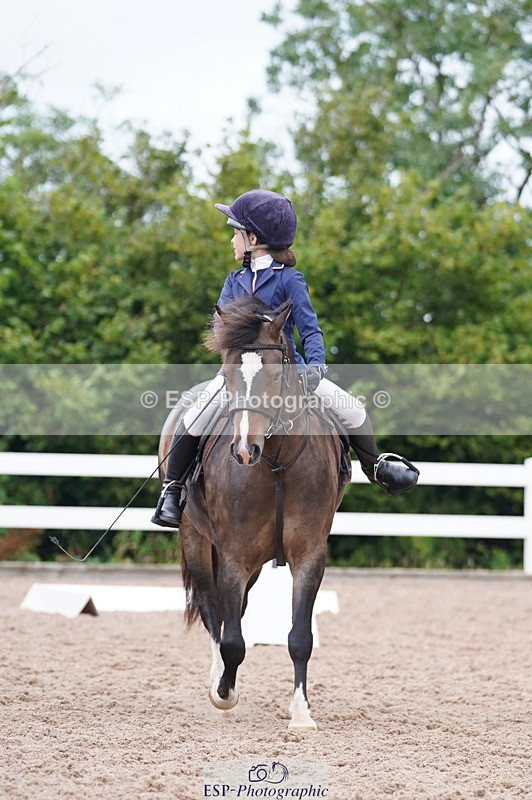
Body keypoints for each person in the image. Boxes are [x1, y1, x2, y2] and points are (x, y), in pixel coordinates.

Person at [152, 189, 419, 528]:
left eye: (235, 233)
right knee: (194, 415)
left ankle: (375, 466)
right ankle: (172, 489)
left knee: (353, 409)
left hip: (287, 372)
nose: (231, 241)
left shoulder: (289, 279)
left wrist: (316, 367)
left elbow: (310, 329)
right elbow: (219, 328)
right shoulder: (234, 281)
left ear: (252, 239)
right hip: (240, 373)